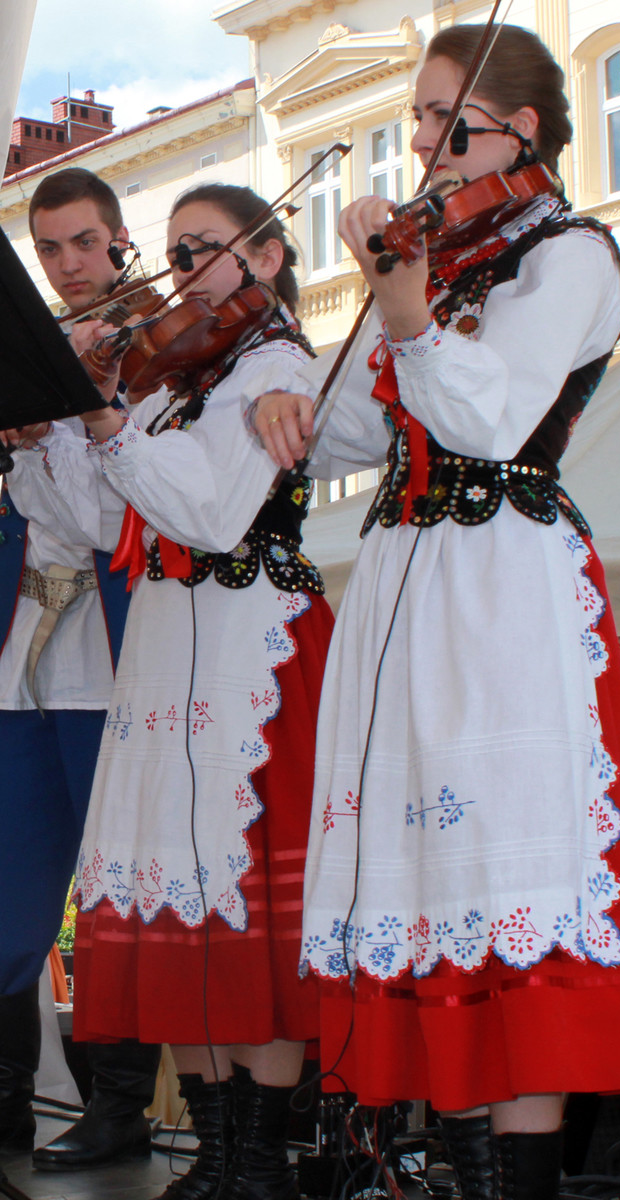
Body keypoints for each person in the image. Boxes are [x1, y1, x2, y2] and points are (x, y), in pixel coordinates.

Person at [251, 24, 620, 1200]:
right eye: (416, 119)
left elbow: (490, 421)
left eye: (445, 120)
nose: (421, 144)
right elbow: (356, 431)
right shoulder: (432, 256)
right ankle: (462, 1173)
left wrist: (406, 313)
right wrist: (286, 414)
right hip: (403, 578)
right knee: (426, 874)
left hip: (501, 577)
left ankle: (519, 1185)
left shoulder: (571, 258)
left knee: (501, 879)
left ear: (519, 130)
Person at [5, 181, 333, 1200]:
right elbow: (102, 524)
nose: (181, 272)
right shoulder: (179, 378)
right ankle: (221, 1154)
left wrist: (103, 415)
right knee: (173, 905)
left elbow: (210, 514)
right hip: (165, 648)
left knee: (246, 915)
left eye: (202, 250)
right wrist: (48, 438)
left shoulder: (274, 364)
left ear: (266, 257)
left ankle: (257, 1162)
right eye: (177, 250)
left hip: (246, 640)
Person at [0, 167, 161, 1170]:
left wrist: (59, 429)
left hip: (114, 653)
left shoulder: (151, 353)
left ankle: (119, 1107)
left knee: (115, 884)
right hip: (25, 658)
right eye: (50, 249)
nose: (68, 265)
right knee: (10, 876)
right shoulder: (34, 348)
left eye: (85, 244)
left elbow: (108, 521)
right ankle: (6, 1102)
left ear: (119, 240)